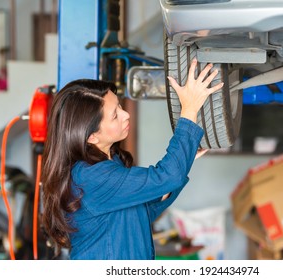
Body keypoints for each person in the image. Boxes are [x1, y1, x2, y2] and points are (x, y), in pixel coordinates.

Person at [41, 58, 224, 260]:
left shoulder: (110, 162)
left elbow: (140, 213)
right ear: (91, 136)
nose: (126, 115)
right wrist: (189, 109)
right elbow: (166, 178)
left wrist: (183, 159)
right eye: (115, 115)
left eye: (119, 106)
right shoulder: (91, 177)